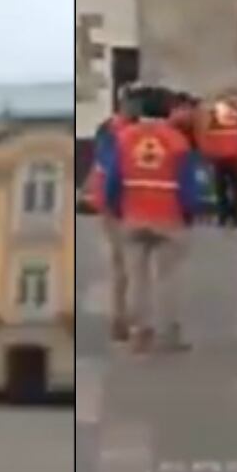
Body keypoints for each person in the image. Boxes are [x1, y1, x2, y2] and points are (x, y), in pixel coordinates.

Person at [101, 87, 204, 354]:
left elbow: (112, 181)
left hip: (134, 215)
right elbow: (187, 185)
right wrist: (189, 213)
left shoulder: (124, 138)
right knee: (168, 277)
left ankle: (140, 333)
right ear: (167, 110)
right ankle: (169, 333)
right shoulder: (177, 141)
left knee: (138, 278)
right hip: (169, 216)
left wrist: (117, 208)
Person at [89, 87, 137, 342]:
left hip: (125, 203)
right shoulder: (112, 131)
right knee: (122, 264)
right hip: (115, 204)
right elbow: (108, 167)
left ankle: (127, 317)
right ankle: (120, 320)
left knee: (128, 264)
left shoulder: (120, 129)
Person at [198, 92, 237, 228]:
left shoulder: (213, 113)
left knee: (221, 188)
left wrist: (208, 152)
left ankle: (224, 215)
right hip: (235, 156)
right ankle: (235, 216)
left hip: (220, 156)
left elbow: (205, 132)